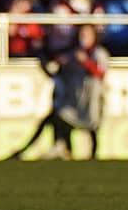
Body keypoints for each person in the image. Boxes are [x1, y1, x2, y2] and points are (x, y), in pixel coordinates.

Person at [10, 24, 108, 160]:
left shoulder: (98, 53)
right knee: (59, 119)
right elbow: (57, 70)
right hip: (74, 100)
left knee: (92, 126)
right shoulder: (74, 53)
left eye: (87, 35)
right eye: (82, 34)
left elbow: (100, 73)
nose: (83, 38)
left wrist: (85, 62)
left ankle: (92, 155)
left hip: (91, 99)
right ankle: (61, 150)